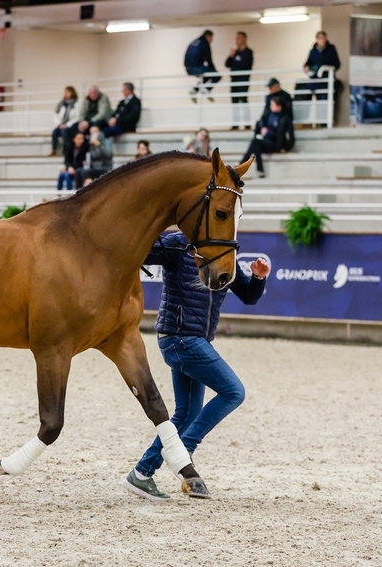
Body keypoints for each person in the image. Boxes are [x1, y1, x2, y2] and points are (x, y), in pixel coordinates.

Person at [122, 232, 271, 501]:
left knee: (187, 413)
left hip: (193, 341)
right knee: (233, 392)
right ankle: (184, 451)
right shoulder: (179, 244)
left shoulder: (224, 253)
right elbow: (139, 250)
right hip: (180, 339)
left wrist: (259, 278)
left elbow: (249, 296)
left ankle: (141, 474)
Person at [242, 98, 294, 178]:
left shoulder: (285, 118)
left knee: (255, 142)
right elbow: (261, 122)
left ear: (279, 106)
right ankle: (260, 170)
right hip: (267, 141)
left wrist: (286, 148)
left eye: (272, 105)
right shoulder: (269, 115)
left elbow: (290, 136)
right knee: (256, 146)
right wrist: (263, 128)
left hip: (277, 143)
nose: (270, 107)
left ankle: (243, 163)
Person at [225, 32, 254, 130]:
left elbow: (245, 64)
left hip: (243, 80)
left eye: (239, 38)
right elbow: (227, 64)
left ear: (244, 39)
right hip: (234, 80)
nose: (237, 41)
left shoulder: (248, 52)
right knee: (235, 102)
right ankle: (235, 124)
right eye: (236, 39)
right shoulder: (235, 53)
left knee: (244, 101)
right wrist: (231, 56)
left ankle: (247, 124)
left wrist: (235, 63)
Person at [304, 31, 341, 101]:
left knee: (325, 99)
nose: (322, 40)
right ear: (317, 39)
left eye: (324, 38)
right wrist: (306, 67)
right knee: (318, 100)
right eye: (320, 38)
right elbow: (308, 62)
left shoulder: (331, 49)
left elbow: (337, 64)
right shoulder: (313, 51)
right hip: (316, 80)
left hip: (326, 80)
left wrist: (325, 67)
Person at [185, 30, 219, 101]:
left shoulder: (195, 42)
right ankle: (207, 89)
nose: (212, 41)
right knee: (217, 75)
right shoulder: (205, 43)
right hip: (197, 68)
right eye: (211, 38)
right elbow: (209, 59)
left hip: (188, 69)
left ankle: (195, 89)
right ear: (208, 36)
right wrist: (214, 71)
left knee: (207, 74)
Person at [51, 86, 79, 156]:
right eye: (65, 92)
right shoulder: (61, 103)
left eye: (68, 92)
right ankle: (54, 150)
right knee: (55, 132)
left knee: (64, 132)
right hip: (61, 124)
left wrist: (67, 125)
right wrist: (59, 124)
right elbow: (56, 115)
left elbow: (77, 117)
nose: (66, 93)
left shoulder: (77, 103)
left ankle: (66, 151)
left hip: (71, 125)